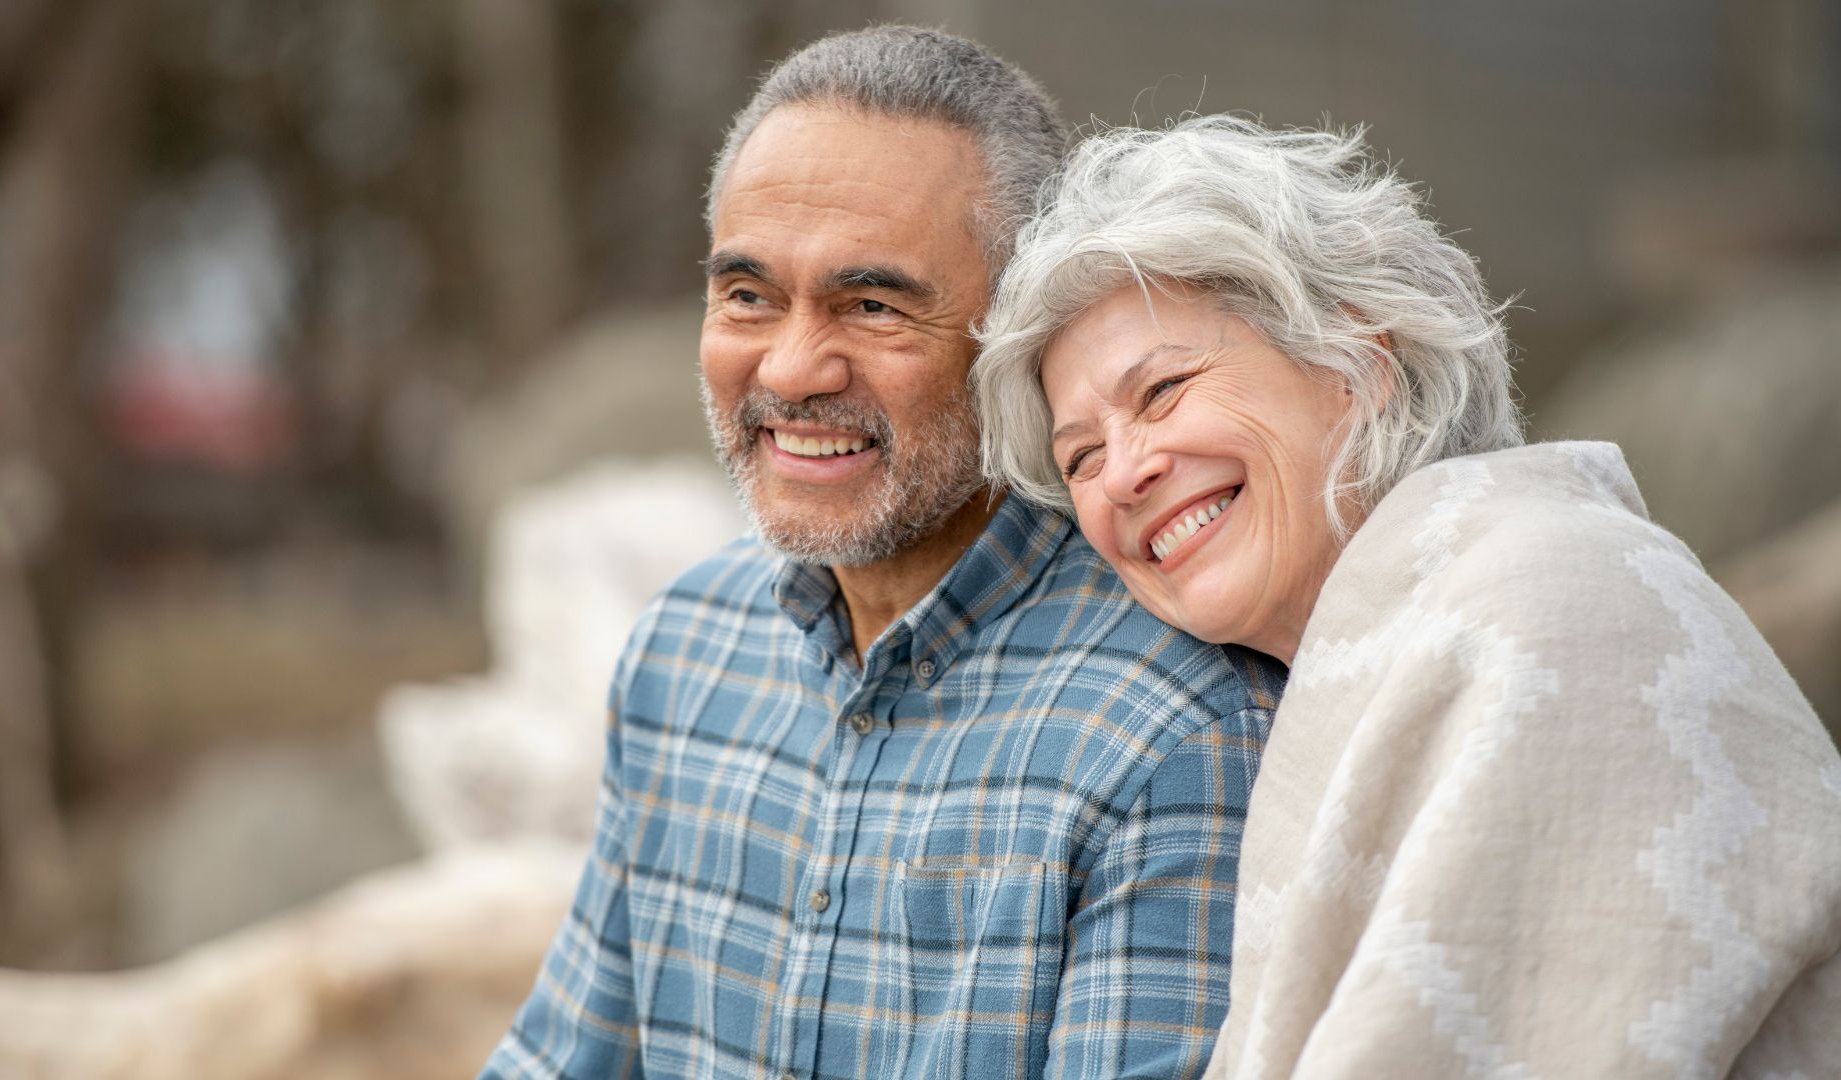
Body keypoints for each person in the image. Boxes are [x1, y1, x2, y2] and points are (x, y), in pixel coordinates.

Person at [482, 31, 1287, 1080]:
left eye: (872, 305)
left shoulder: (1174, 727)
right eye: (748, 296)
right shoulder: (684, 648)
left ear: (1019, 340)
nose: (792, 366)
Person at [975, 115, 1841, 1078]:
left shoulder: (1552, 606)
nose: (1124, 472)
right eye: (1080, 456)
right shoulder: (1360, 652)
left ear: (1360, 366)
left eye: (1165, 390)